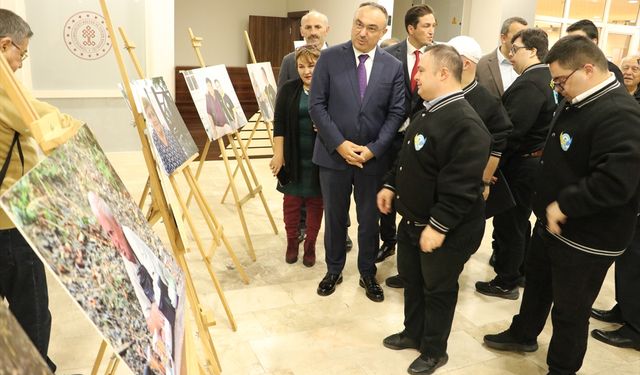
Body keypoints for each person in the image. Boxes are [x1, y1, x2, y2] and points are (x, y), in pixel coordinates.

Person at [484, 34, 640, 375]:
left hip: (587, 236)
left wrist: (565, 204)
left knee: (570, 311)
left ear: (588, 69)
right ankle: (524, 333)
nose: (557, 88)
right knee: (537, 286)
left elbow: (616, 182)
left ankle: (561, 368)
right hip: (552, 225)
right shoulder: (579, 99)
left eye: (561, 80)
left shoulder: (620, 113)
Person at [378, 44, 491, 375]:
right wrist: (390, 184)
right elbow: (407, 159)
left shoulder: (466, 123)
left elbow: (462, 186)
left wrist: (438, 226)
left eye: (422, 71)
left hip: (445, 229)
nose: (416, 77)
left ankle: (433, 349)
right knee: (412, 280)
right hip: (414, 221)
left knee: (438, 289)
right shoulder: (428, 109)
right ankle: (413, 333)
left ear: (444, 73)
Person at [0, 9, 82, 372]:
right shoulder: (3, 86)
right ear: (6, 46)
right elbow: (44, 120)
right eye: (22, 54)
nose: (20, 64)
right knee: (30, 313)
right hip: (9, 222)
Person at [309, 2, 404, 302]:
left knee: (369, 219)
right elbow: (317, 105)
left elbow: (397, 112)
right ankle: (333, 269)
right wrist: (340, 143)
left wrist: (374, 150)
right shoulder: (328, 58)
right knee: (335, 217)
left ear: (384, 31)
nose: (362, 33)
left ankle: (367, 272)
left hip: (372, 160)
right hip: (333, 155)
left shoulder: (393, 66)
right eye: (358, 24)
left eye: (371, 28)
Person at [476, 28, 556, 300]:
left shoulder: (531, 82)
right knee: (520, 220)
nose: (510, 55)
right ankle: (518, 270)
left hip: (520, 164)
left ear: (533, 51)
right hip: (533, 162)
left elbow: (512, 131)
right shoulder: (547, 79)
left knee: (510, 222)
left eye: (516, 49)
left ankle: (506, 280)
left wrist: (493, 166)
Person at [88, 191, 181, 374]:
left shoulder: (131, 238)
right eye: (108, 236)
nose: (114, 241)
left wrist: (155, 308)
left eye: (112, 232)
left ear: (117, 224)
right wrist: (152, 322)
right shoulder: (125, 256)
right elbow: (143, 302)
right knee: (151, 365)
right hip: (162, 321)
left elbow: (161, 278)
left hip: (170, 302)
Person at [377, 4, 436, 273]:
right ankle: (388, 240)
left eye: (434, 25)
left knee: (414, 188)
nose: (432, 30)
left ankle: (408, 241)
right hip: (391, 135)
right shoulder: (388, 55)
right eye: (426, 25)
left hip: (423, 137)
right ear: (411, 28)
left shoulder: (438, 57)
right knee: (386, 186)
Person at [270, 45, 323, 267]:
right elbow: (279, 124)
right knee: (291, 202)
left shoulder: (328, 89)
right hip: (292, 155)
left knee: (315, 203)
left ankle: (310, 245)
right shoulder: (289, 89)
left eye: (311, 65)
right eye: (301, 66)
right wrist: (278, 155)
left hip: (320, 158)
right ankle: (292, 242)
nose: (306, 71)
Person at [448, 35, 512, 202]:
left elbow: (499, 141)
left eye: (449, 58)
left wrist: (485, 180)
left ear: (466, 64)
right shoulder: (438, 92)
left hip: (469, 184)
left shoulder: (488, 101)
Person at [476, 17, 528, 99]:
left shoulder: (529, 65)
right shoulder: (481, 65)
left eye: (526, 37)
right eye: (518, 36)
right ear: (503, 38)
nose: (523, 41)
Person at [278, 10, 330, 90]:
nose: (313, 32)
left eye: (317, 27)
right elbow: (282, 99)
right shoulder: (289, 61)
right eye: (308, 27)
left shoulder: (338, 60)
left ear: (327, 30)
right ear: (301, 31)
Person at [566, 19, 624, 84]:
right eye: (569, 40)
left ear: (594, 41)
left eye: (578, 40)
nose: (572, 45)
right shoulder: (567, 66)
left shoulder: (610, 70)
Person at [141, 96, 188, 175]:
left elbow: (182, 154)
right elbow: (166, 167)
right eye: (149, 116)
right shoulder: (154, 139)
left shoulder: (167, 132)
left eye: (154, 114)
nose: (153, 119)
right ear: (148, 120)